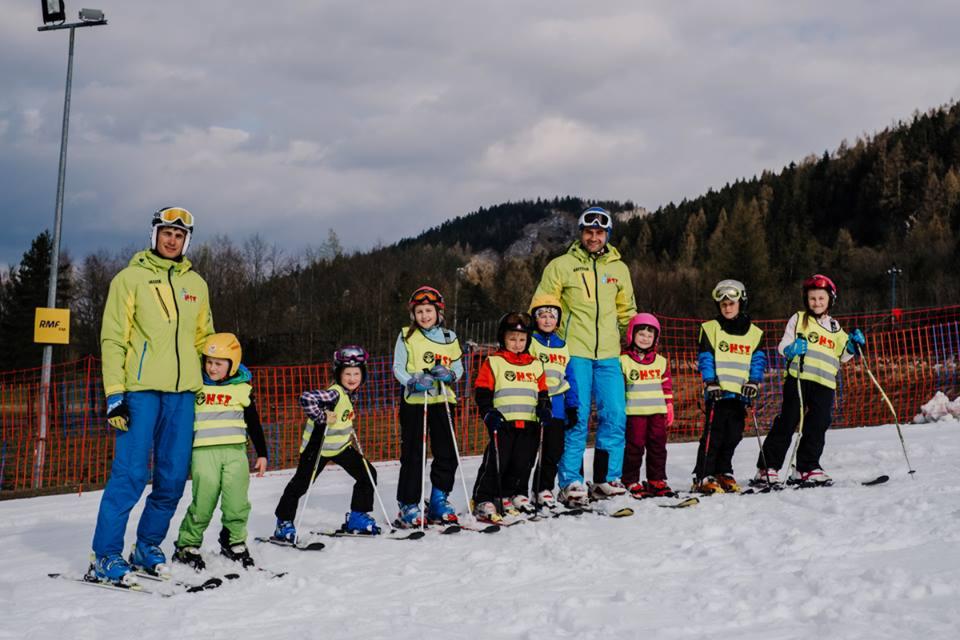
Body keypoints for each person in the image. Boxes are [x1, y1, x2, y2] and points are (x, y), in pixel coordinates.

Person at [90, 206, 214, 585]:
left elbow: (203, 338)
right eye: (165, 232)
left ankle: (147, 547)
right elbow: (113, 339)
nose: (171, 240)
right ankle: (105, 555)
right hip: (141, 392)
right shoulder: (129, 279)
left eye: (178, 235)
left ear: (186, 241)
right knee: (129, 474)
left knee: (173, 477)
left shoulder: (197, 285)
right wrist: (115, 393)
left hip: (182, 396)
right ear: (154, 235)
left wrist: (222, 370)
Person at [532, 206, 637, 506]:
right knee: (575, 418)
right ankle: (571, 481)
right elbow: (542, 306)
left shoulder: (619, 269)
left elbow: (627, 312)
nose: (594, 237)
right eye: (589, 232)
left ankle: (605, 478)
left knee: (615, 415)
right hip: (574, 352)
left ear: (607, 235)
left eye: (599, 232)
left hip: (608, 354)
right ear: (581, 233)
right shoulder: (561, 266)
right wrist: (545, 345)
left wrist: (632, 344)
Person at [756, 275, 865, 486]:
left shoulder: (835, 327)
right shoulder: (798, 319)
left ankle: (807, 467)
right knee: (788, 421)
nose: (816, 302)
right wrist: (791, 349)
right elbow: (782, 347)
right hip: (799, 379)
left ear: (830, 300)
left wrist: (853, 345)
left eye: (821, 298)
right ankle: (767, 467)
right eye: (812, 298)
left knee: (818, 424)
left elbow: (843, 354)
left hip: (824, 383)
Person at [172, 333, 268, 570]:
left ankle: (233, 541)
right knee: (204, 500)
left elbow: (253, 423)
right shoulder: (196, 387)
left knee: (237, 501)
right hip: (204, 453)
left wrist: (262, 453)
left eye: (218, 363)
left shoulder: (242, 389)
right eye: (209, 362)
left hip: (235, 452)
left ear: (232, 364)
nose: (212, 368)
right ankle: (187, 544)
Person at [273, 346, 382, 541]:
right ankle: (283, 522)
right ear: (338, 374)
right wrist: (322, 416)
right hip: (318, 447)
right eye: (347, 373)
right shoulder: (335, 393)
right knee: (300, 485)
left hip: (339, 448)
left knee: (368, 474)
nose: (352, 378)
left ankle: (357, 517)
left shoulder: (351, 394)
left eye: (356, 373)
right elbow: (306, 398)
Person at [391, 286, 464, 527]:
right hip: (416, 401)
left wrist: (450, 374)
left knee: (447, 451)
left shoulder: (449, 337)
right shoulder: (406, 336)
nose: (424, 315)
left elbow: (459, 367)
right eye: (419, 311)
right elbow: (398, 367)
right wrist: (411, 381)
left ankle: (439, 499)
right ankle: (408, 503)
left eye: (428, 310)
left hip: (442, 400)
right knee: (414, 454)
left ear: (438, 312)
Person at [471, 313, 551, 522]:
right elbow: (482, 391)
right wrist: (488, 411)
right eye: (512, 339)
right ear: (503, 338)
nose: (517, 344)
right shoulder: (495, 362)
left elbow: (542, 392)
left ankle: (507, 495)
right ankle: (483, 498)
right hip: (503, 422)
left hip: (529, 422)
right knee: (498, 461)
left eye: (522, 339)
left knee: (521, 462)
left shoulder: (535, 364)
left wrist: (544, 408)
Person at [692, 279, 767, 494]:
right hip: (719, 393)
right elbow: (706, 357)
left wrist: (754, 381)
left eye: (731, 303)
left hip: (740, 394)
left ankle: (723, 470)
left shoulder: (755, 333)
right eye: (723, 304)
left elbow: (757, 360)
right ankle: (703, 473)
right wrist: (710, 382)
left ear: (741, 303)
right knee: (713, 434)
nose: (727, 308)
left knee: (733, 434)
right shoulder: (710, 328)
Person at [526, 294, 579, 509]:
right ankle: (520, 490)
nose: (547, 320)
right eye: (543, 316)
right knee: (529, 451)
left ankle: (543, 488)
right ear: (535, 319)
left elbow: (570, 377)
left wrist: (572, 406)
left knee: (553, 450)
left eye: (552, 316)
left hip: (557, 407)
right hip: (534, 405)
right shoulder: (531, 342)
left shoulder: (563, 346)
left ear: (557, 320)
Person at [619, 313, 675, 498]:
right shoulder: (624, 360)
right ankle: (630, 479)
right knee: (635, 447)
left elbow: (666, 385)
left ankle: (656, 479)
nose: (645, 339)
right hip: (635, 413)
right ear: (632, 335)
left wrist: (669, 406)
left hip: (657, 413)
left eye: (650, 336)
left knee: (658, 446)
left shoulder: (661, 361)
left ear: (655, 339)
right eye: (641, 334)